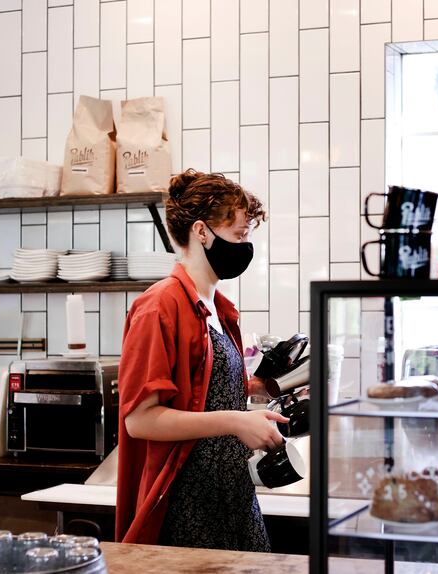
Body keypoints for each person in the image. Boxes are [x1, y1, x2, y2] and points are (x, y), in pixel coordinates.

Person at [115, 170, 288, 550]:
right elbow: (140, 420)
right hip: (186, 502)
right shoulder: (158, 306)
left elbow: (206, 392)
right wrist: (235, 422)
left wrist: (269, 388)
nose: (245, 246)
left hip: (231, 495)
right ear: (202, 232)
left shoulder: (218, 309)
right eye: (240, 235)